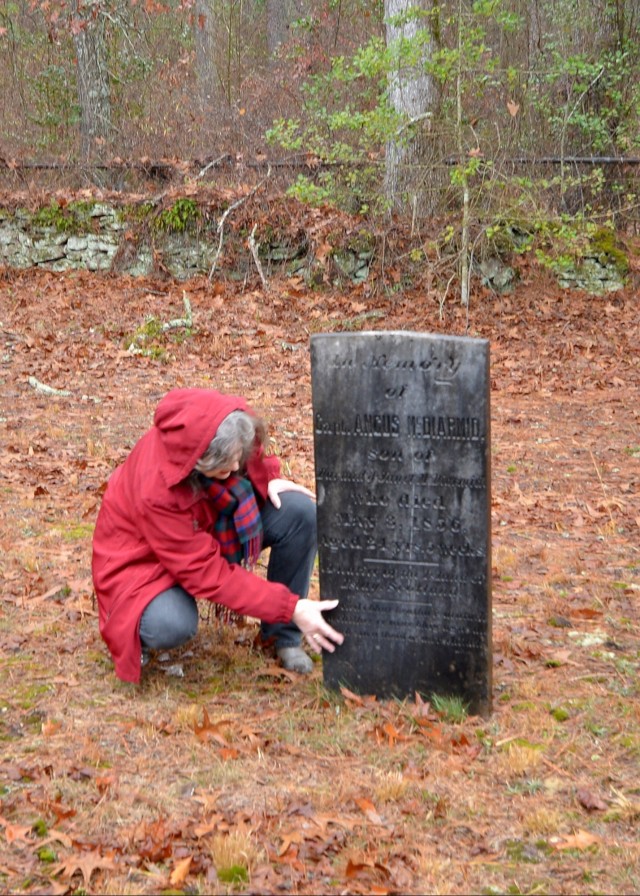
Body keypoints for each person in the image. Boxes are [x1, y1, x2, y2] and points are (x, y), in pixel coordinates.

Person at [91, 387, 344, 683]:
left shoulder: (224, 422)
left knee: (300, 514)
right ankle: (139, 633)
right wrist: (291, 605)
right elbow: (208, 573)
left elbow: (249, 452)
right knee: (171, 623)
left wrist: (268, 478)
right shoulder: (157, 492)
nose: (238, 469)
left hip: (207, 525)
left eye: (239, 459)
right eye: (227, 468)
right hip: (142, 561)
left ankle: (282, 637)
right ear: (199, 462)